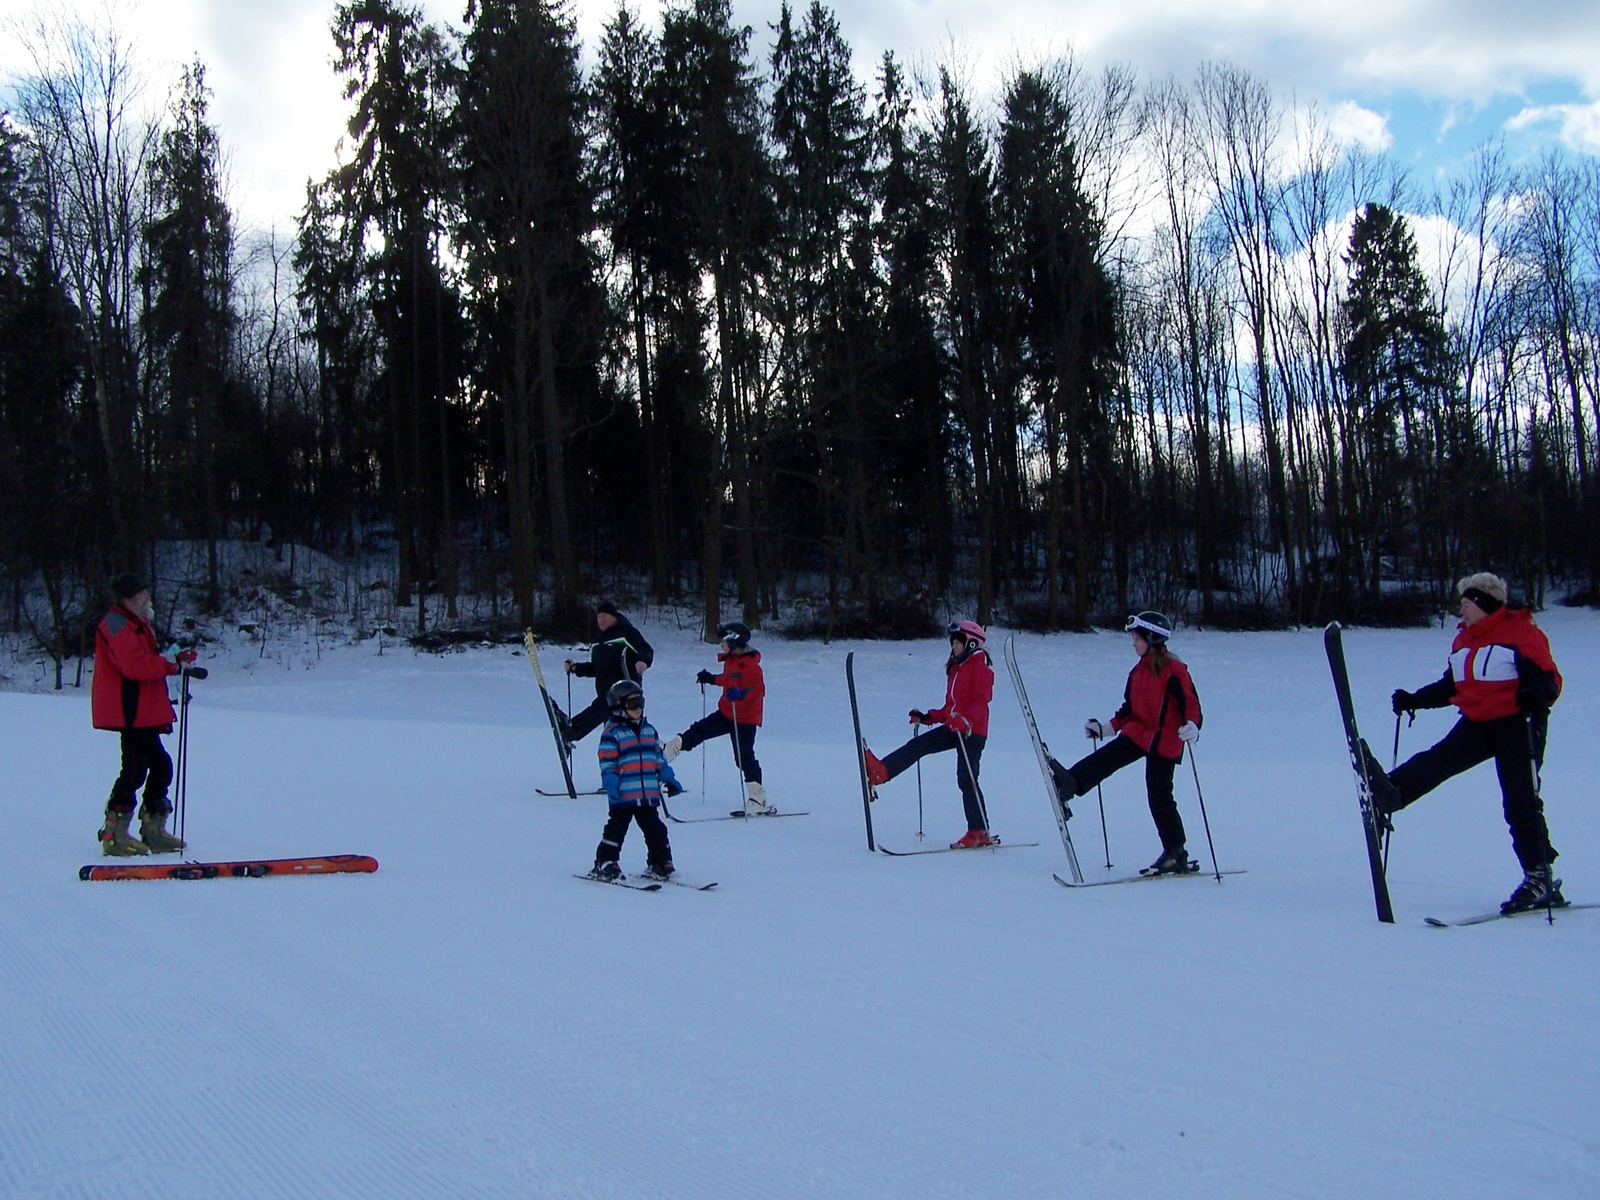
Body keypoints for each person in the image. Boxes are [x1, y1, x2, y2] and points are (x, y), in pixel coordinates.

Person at [1370, 573, 1565, 915]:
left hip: (1518, 724)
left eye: (1466, 603)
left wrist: (1536, 695)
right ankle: (1391, 791)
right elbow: (1452, 686)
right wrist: (1415, 699)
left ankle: (1539, 877)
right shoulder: (1464, 642)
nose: (1461, 610)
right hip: (1478, 722)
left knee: (1520, 800)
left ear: (1484, 604)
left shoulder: (1521, 634)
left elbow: (1549, 679)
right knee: (1440, 759)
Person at [1049, 611, 1203, 875]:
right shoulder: (1138, 672)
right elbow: (1129, 710)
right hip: (1141, 732)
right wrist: (1106, 729)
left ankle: (1176, 852)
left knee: (1159, 794)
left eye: (1136, 638)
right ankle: (1070, 783)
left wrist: (1193, 726)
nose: (1133, 643)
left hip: (1166, 739)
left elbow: (1192, 705)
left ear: (1152, 638)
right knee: (1109, 756)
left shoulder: (1175, 671)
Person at [862, 620, 996, 848]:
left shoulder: (981, 669)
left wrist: (965, 720)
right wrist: (928, 717)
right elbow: (949, 707)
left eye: (957, 643)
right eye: (952, 643)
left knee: (967, 778)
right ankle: (880, 772)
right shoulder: (956, 669)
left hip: (973, 731)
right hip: (954, 727)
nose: (953, 647)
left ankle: (979, 831)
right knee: (918, 746)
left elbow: (980, 703)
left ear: (972, 643)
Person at [91, 573, 196, 856]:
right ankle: (115, 834)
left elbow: (147, 658)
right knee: (137, 768)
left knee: (158, 765)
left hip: (142, 709)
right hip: (130, 709)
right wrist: (169, 666)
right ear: (129, 598)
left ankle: (151, 829)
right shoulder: (115, 623)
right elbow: (134, 666)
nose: (148, 597)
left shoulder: (137, 623)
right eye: (143, 593)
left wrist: (173, 660)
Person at [664, 621, 773, 816]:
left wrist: (740, 693)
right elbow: (729, 679)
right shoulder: (732, 660)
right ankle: (669, 750)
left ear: (734, 642)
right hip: (726, 712)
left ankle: (758, 798)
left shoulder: (751, 667)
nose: (720, 645)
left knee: (743, 757)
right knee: (699, 730)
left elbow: (757, 691)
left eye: (724, 641)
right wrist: (711, 678)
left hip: (745, 719)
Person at [589, 680, 682, 882]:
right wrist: (610, 782)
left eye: (640, 703)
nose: (638, 709)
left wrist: (669, 778)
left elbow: (657, 758)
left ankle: (660, 862)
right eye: (632, 704)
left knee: (656, 829)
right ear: (619, 706)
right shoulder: (612, 734)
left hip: (647, 795)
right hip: (623, 794)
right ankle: (605, 862)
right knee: (616, 829)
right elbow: (607, 762)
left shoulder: (649, 731)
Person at [560, 600, 654, 747]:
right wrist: (576, 668)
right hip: (605, 695)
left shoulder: (626, 633)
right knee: (613, 739)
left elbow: (645, 649)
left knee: (607, 705)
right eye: (599, 617)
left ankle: (573, 729)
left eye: (604, 616)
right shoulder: (598, 641)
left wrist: (642, 661)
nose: (601, 620)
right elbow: (597, 668)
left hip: (626, 695)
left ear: (614, 617)